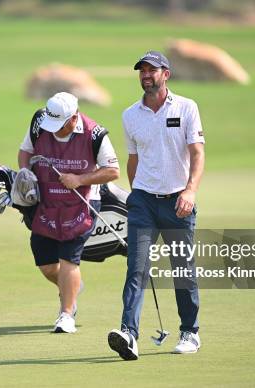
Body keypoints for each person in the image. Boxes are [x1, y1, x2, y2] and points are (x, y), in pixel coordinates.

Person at [107, 51, 206, 360]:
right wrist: (136, 194)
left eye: (152, 69)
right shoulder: (130, 115)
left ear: (167, 74)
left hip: (179, 201)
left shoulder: (187, 108)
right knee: (136, 268)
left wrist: (190, 191)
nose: (146, 74)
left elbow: (197, 154)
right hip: (144, 204)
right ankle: (129, 334)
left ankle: (190, 331)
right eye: (142, 70)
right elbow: (133, 160)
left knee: (182, 270)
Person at [18, 92, 120, 333]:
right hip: (46, 202)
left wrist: (80, 179)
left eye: (59, 126)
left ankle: (66, 315)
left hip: (81, 204)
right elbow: (25, 151)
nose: (53, 131)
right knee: (45, 264)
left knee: (68, 259)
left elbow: (112, 171)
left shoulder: (95, 134)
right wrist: (25, 172)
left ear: (74, 118)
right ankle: (71, 288)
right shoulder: (40, 122)